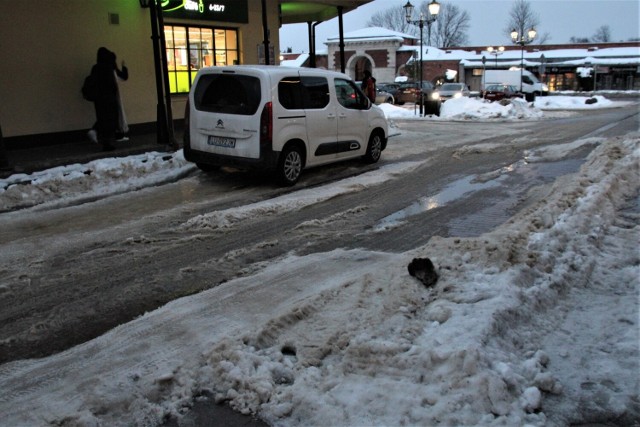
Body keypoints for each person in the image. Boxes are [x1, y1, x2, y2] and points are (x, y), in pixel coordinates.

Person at [87, 47, 129, 151]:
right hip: (110, 98)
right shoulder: (110, 68)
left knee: (102, 118)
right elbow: (123, 77)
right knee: (111, 120)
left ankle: (96, 131)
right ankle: (108, 142)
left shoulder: (96, 68)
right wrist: (124, 66)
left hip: (98, 98)